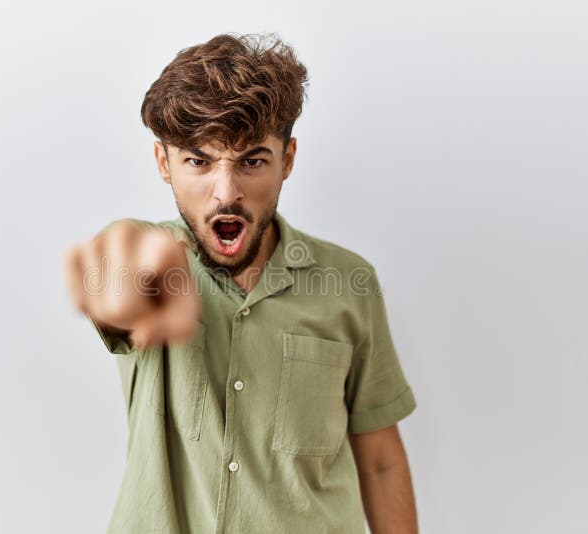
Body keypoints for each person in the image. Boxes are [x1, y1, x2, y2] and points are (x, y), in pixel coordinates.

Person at [64, 32, 419, 534]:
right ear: (164, 163)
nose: (226, 193)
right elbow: (115, 276)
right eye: (199, 161)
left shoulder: (350, 283)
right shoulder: (154, 261)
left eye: (252, 160)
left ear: (287, 160)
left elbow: (381, 459)